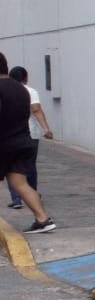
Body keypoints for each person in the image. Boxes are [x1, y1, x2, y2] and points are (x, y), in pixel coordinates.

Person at [0, 53, 55, 232]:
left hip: (4, 143)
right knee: (21, 183)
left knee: (19, 184)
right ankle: (43, 219)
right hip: (23, 141)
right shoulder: (21, 89)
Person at [5, 66, 52, 210]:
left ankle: (17, 199)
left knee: (11, 167)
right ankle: (32, 195)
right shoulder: (31, 91)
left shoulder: (5, 91)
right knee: (30, 166)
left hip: (10, 135)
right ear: (25, 78)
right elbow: (36, 110)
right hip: (30, 135)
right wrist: (46, 129)